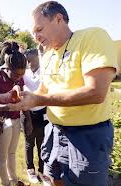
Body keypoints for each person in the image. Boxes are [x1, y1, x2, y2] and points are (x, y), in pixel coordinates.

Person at [10, 1, 118, 186]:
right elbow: (43, 91)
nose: (36, 37)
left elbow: (96, 92)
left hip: (87, 136)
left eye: (39, 29)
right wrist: (22, 98)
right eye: (33, 32)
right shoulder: (49, 54)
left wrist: (40, 98)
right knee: (53, 180)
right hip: (54, 131)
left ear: (58, 19)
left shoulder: (92, 36)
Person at [0, 41, 30, 186]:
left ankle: (14, 181)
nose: (19, 78)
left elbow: (22, 98)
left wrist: (27, 119)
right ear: (7, 67)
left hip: (15, 119)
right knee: (1, 157)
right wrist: (6, 107)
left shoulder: (19, 78)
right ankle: (6, 184)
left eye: (22, 74)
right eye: (16, 74)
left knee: (12, 153)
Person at [21, 49, 48, 184]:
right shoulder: (24, 74)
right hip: (27, 113)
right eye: (27, 61)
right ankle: (30, 169)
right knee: (29, 143)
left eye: (31, 60)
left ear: (38, 59)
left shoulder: (45, 72)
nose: (29, 63)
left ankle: (42, 171)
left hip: (43, 113)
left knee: (42, 143)